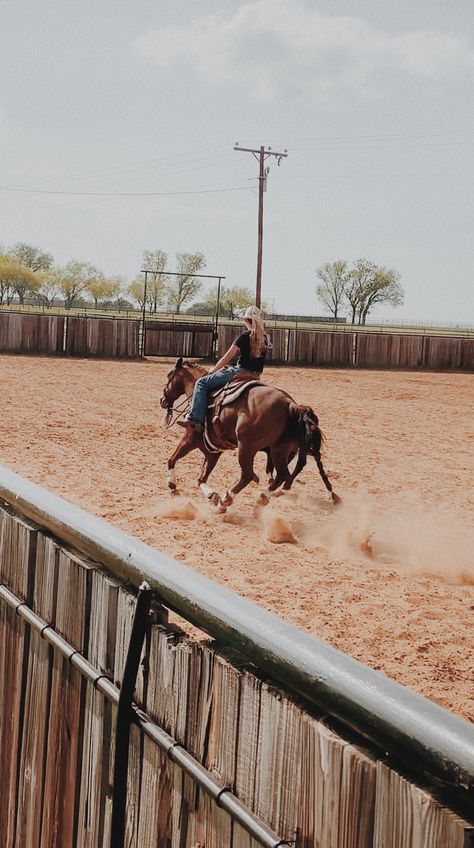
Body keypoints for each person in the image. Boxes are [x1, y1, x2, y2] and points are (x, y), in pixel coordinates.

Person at [182, 305, 271, 432]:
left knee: (201, 383)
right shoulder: (266, 338)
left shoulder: (244, 336)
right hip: (256, 376)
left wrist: (212, 371)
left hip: (240, 372)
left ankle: (195, 418)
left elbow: (226, 358)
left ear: (246, 320)